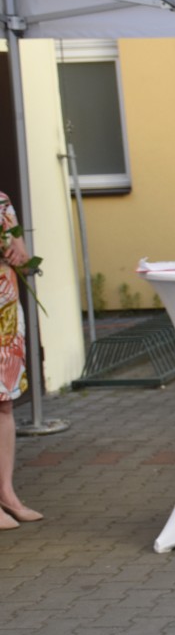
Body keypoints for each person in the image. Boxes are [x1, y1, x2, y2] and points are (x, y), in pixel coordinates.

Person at [0, 192, 41, 531]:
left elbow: (26, 264)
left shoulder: (1, 203)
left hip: (6, 317)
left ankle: (6, 493)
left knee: (4, 405)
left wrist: (19, 252)